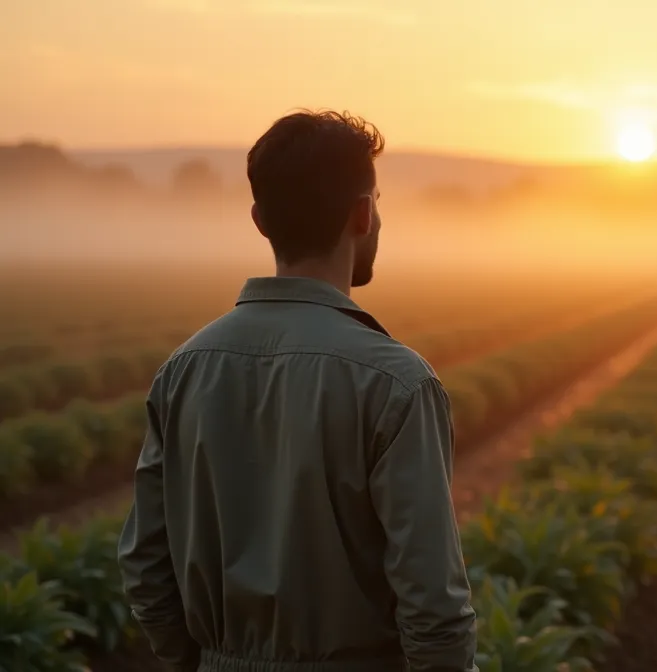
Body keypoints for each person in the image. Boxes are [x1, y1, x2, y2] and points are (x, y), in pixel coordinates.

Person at [118, 110, 479, 672]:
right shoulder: (397, 383)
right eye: (377, 200)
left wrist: (203, 660)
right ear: (363, 214)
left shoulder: (183, 370)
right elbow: (433, 606)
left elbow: (145, 565)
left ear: (261, 220)